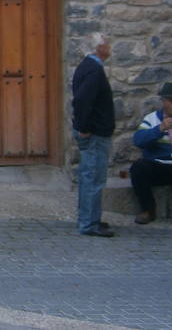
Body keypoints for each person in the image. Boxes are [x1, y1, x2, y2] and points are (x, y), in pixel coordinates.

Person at [71, 32, 115, 237]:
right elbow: (81, 100)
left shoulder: (89, 67)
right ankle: (89, 223)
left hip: (94, 131)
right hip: (94, 133)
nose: (109, 47)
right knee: (93, 178)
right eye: (106, 44)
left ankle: (89, 218)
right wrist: (84, 126)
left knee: (90, 176)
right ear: (99, 48)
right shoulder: (94, 70)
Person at [130, 81, 172, 225]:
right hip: (160, 167)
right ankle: (147, 210)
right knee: (139, 168)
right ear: (163, 101)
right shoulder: (152, 119)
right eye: (171, 101)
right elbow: (138, 141)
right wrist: (159, 129)